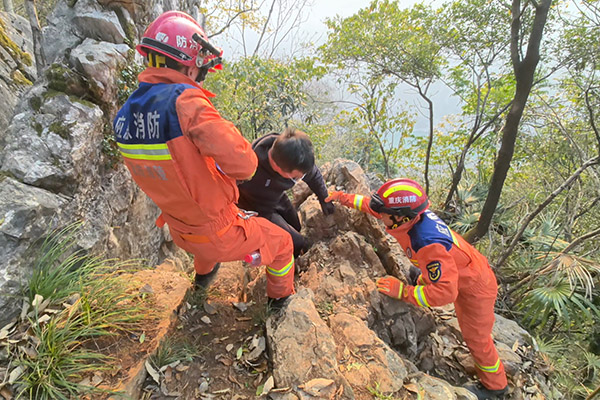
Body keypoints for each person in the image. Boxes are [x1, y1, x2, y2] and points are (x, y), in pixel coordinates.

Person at [112, 11, 295, 307]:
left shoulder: (125, 115)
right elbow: (245, 165)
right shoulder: (186, 102)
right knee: (283, 244)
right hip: (216, 231)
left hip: (179, 227)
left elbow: (177, 166)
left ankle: (200, 288)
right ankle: (280, 303)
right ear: (190, 64)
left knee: (206, 244)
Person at [325, 178, 508, 400]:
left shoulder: (428, 242)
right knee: (423, 277)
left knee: (476, 337)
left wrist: (403, 292)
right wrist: (341, 197)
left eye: (384, 212)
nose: (380, 215)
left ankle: (495, 386)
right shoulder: (406, 217)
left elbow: (446, 293)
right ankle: (421, 279)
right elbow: (371, 206)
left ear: (401, 216)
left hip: (473, 287)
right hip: (456, 270)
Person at [237, 128, 334, 258]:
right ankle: (290, 262)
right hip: (255, 207)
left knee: (296, 225)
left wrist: (324, 198)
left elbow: (313, 174)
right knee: (294, 241)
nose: (299, 179)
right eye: (295, 178)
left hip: (276, 196)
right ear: (278, 168)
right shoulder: (247, 167)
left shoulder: (292, 154)